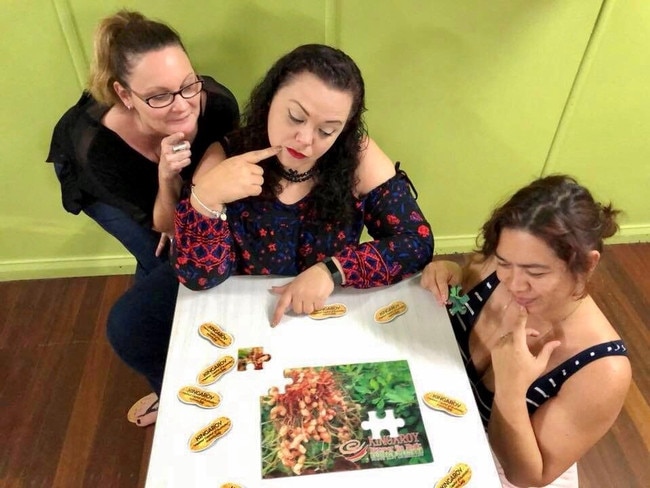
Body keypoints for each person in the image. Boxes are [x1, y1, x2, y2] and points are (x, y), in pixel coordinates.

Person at [107, 43, 434, 426]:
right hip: (242, 297)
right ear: (270, 99)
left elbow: (416, 241)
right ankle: (172, 394)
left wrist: (333, 270)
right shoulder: (226, 154)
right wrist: (207, 199)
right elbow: (201, 276)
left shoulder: (354, 153)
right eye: (294, 117)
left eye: (328, 130)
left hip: (319, 301)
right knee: (130, 328)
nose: (306, 141)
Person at [420, 175, 631, 488]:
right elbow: (464, 278)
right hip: (441, 421)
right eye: (505, 263)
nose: (514, 284)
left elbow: (525, 476)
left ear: (587, 265)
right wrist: (447, 270)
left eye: (536, 272)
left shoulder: (603, 369)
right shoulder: (498, 265)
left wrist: (510, 388)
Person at [46, 9, 239, 281]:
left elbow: (214, 186)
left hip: (163, 171)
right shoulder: (99, 150)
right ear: (125, 95)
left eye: (187, 85)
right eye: (159, 96)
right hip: (99, 177)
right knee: (159, 256)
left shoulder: (218, 107)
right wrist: (167, 178)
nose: (183, 107)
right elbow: (165, 224)